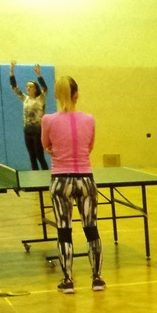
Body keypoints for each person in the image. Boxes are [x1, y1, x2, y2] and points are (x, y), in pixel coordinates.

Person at [41, 75, 104, 293]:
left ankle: (68, 280)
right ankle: (97, 279)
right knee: (91, 229)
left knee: (64, 230)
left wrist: (56, 150)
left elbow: (46, 145)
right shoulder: (90, 119)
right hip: (86, 180)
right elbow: (90, 147)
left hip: (60, 181)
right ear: (76, 95)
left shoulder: (48, 120)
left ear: (57, 96)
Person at [9, 61, 49, 170]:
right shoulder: (25, 99)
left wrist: (38, 75)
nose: (28, 88)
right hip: (27, 130)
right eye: (27, 86)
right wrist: (11, 71)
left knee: (40, 156)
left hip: (38, 130)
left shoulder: (40, 99)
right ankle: (35, 178)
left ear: (36, 89)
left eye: (30, 86)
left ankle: (46, 176)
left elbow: (45, 88)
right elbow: (14, 87)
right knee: (32, 157)